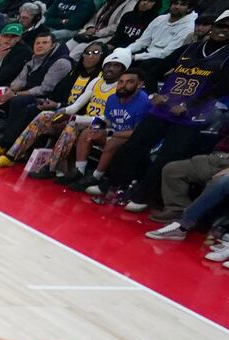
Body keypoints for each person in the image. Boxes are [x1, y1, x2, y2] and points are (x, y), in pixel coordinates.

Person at [97, 11, 229, 206]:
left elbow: (222, 88)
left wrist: (188, 105)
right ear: (212, 27)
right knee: (134, 145)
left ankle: (142, 197)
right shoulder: (189, 48)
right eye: (221, 26)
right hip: (163, 108)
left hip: (193, 116)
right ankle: (113, 185)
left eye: (228, 28)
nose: (223, 31)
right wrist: (152, 94)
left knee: (167, 157)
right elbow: (155, 70)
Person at [0, 40, 110, 161]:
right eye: (87, 53)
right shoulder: (75, 73)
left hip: (76, 116)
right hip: (60, 108)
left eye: (95, 53)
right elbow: (57, 93)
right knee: (30, 108)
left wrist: (58, 105)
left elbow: (81, 106)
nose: (89, 56)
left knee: (35, 113)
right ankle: (6, 145)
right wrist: (48, 102)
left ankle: (12, 151)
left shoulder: (98, 80)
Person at [17, 48, 131, 175]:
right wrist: (61, 111)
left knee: (72, 125)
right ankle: (15, 153)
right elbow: (76, 106)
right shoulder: (96, 82)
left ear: (123, 70)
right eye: (108, 65)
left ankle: (51, 167)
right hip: (83, 120)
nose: (110, 69)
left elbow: (107, 119)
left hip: (100, 125)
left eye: (116, 66)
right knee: (45, 116)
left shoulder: (122, 89)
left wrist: (74, 118)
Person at [0, 28, 74, 140]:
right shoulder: (33, 58)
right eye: (37, 43)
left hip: (47, 99)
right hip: (29, 93)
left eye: (45, 43)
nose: (40, 46)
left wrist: (15, 94)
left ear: (52, 46)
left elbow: (45, 89)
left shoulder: (61, 62)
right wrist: (10, 90)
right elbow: (20, 80)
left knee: (17, 101)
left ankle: (6, 138)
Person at [69, 69, 153, 186]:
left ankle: (96, 176)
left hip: (132, 141)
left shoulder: (144, 103)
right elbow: (109, 120)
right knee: (87, 132)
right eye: (121, 82)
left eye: (129, 82)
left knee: (112, 142)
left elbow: (138, 132)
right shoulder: (112, 98)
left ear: (140, 84)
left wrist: (109, 133)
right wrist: (97, 127)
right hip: (114, 132)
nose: (123, 86)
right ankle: (79, 171)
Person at [144, 133, 229, 235]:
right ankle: (176, 210)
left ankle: (183, 224)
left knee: (218, 182)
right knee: (173, 169)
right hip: (218, 157)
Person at [128, 0, 200, 81]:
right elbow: (142, 41)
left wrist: (137, 57)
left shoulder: (189, 27)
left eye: (182, 5)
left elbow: (167, 53)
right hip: (148, 52)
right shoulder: (160, 19)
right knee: (119, 56)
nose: (177, 7)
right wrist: (126, 51)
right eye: (175, 3)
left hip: (164, 59)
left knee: (143, 66)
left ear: (189, 9)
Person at [69, 0, 141, 47]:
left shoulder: (131, 3)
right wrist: (90, 27)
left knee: (80, 48)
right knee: (69, 44)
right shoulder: (109, 2)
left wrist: (97, 33)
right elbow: (93, 19)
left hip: (107, 36)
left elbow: (119, 25)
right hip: (91, 32)